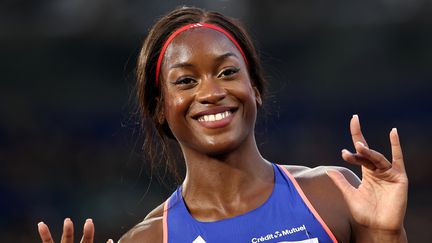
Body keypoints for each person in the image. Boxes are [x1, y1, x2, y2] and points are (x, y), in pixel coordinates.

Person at [37, 6, 408, 243]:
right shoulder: (151, 240)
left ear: (255, 88)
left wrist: (386, 234)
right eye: (186, 81)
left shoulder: (331, 195)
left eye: (228, 72)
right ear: (160, 108)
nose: (212, 92)